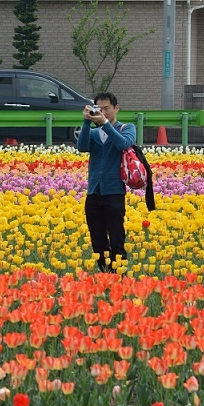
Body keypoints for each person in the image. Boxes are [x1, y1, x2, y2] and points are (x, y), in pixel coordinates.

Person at [76, 92, 136, 274]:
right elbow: (82, 147)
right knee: (98, 241)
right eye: (98, 109)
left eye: (107, 109)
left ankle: (120, 277)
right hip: (94, 193)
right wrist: (87, 121)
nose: (103, 112)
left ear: (116, 108)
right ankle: (105, 275)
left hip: (114, 192)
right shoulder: (94, 133)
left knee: (117, 238)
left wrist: (105, 124)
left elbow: (123, 144)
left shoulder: (127, 128)